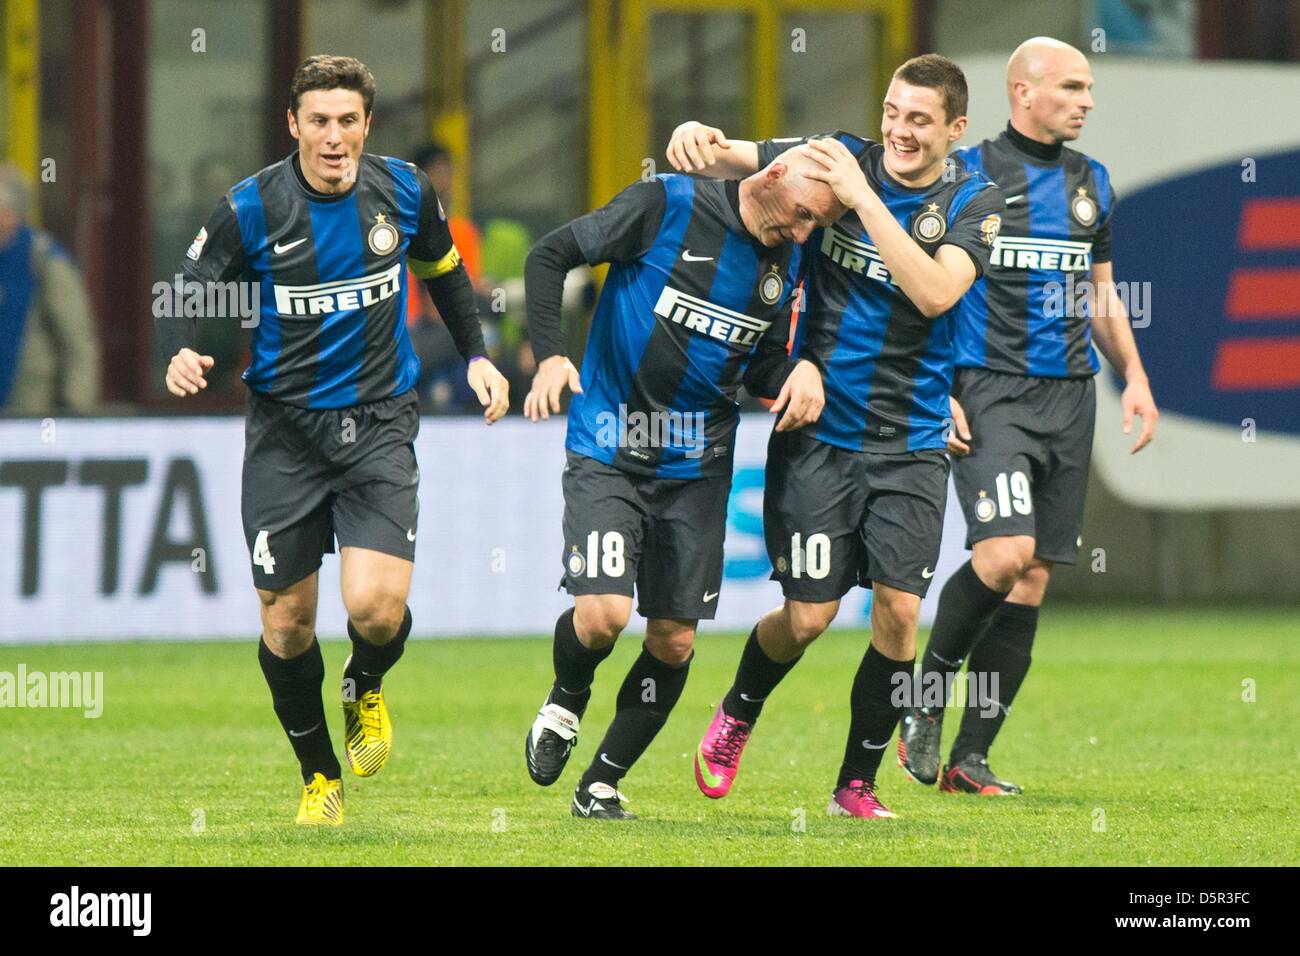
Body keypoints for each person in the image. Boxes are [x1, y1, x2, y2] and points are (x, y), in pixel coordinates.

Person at [157, 55, 509, 825]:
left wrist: (479, 356)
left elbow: (446, 271)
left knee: (377, 611)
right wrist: (181, 345)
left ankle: (365, 682)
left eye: (348, 121)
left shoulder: (406, 190)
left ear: (366, 126)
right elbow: (187, 280)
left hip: (380, 423)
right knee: (285, 624)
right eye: (318, 121)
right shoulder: (252, 205)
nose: (333, 136)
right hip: (286, 433)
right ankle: (320, 777)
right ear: (293, 125)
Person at [666, 54, 1004, 819]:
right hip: (822, 433)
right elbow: (736, 155)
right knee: (809, 616)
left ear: (955, 129)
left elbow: (933, 291)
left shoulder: (977, 202)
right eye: (891, 111)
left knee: (898, 615)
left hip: (913, 438)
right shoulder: (839, 155)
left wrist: (862, 199)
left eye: (919, 119)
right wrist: (695, 136)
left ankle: (856, 784)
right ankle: (739, 710)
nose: (898, 131)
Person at [520, 149, 840, 820]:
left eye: (820, 224)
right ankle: (566, 699)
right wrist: (551, 353)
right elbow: (549, 255)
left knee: (674, 640)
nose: (806, 233)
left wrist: (797, 374)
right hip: (610, 443)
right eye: (805, 216)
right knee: (603, 616)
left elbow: (759, 370)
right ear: (775, 176)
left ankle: (600, 784)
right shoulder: (664, 205)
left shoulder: (780, 265)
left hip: (697, 467)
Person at [898, 37, 1159, 795]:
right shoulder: (965, 174)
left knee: (1035, 575)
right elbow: (920, 287)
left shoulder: (1092, 181)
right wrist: (934, 383)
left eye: (1088, 87)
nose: (1087, 100)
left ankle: (970, 759)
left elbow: (1101, 292)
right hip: (988, 388)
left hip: (1070, 394)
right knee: (1005, 554)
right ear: (1023, 92)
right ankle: (923, 701)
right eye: (1073, 86)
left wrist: (1134, 376)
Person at [0, 164, 100, 414]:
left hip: (28, 411)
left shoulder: (44, 261)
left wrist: (76, 411)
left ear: (9, 214)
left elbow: (77, 343)